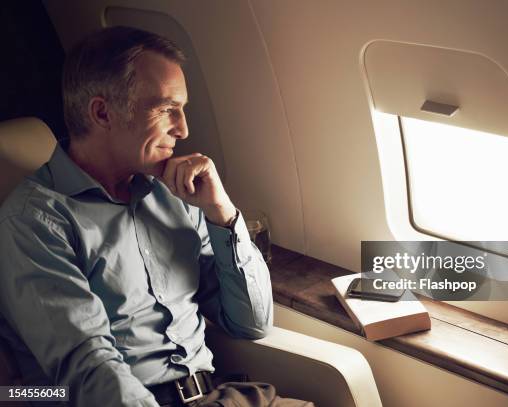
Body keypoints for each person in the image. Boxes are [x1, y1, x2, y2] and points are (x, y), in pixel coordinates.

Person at [0, 26, 312, 406]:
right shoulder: (34, 221)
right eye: (166, 109)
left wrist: (221, 213)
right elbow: (88, 367)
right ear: (102, 112)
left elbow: (251, 323)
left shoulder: (175, 195)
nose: (183, 129)